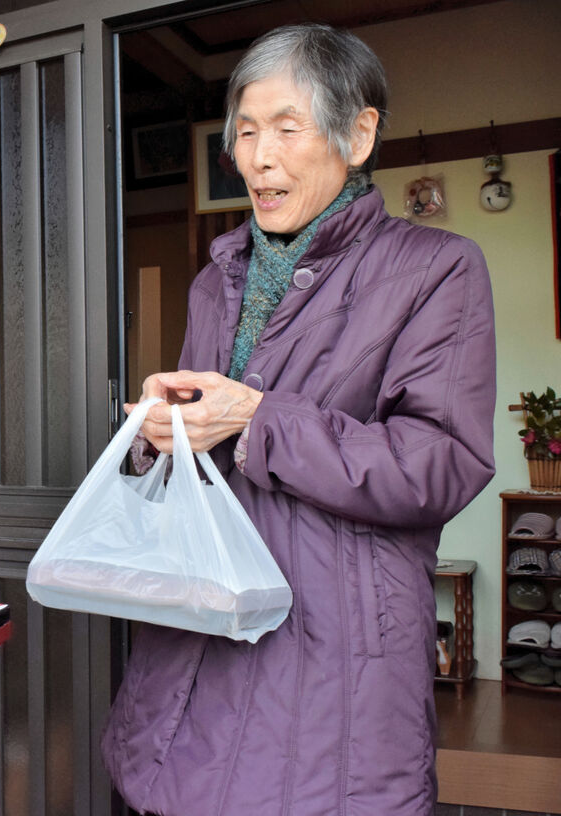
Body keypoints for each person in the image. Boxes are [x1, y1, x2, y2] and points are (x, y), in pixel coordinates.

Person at [101, 24, 495, 816]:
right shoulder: (218, 280)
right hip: (203, 629)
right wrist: (159, 438)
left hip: (332, 654)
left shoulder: (435, 269)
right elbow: (206, 455)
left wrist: (255, 420)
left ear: (358, 133)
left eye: (287, 128)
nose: (258, 157)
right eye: (245, 132)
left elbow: (438, 464)